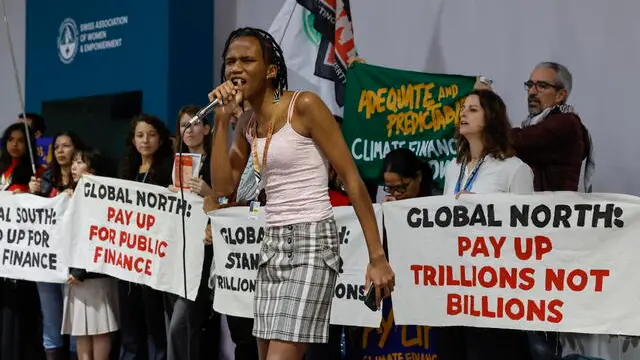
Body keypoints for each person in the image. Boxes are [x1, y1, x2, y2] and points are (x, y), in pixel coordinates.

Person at [208, 27, 395, 360]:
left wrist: (377, 257)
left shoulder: (304, 105)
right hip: (272, 245)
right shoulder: (246, 123)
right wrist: (222, 123)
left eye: (247, 59)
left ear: (271, 69)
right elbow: (223, 189)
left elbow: (352, 180)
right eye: (230, 61)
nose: (235, 68)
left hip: (312, 243)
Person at [437, 89, 534, 360]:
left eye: (473, 109)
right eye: (463, 108)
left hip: (494, 292)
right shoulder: (452, 168)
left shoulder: (515, 169)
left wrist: (481, 206)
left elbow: (526, 233)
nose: (463, 113)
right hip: (454, 287)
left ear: (490, 118)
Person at [166, 105, 220, 360]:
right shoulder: (175, 164)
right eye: (184, 124)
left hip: (206, 252)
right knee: (180, 324)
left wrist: (209, 192)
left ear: (207, 129)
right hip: (178, 253)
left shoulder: (216, 162)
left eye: (196, 123)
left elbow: (230, 202)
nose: (189, 129)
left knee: (188, 323)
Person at [118, 114, 172, 360]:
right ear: (133, 140)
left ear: (161, 139)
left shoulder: (170, 170)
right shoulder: (125, 170)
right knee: (130, 325)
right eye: (140, 135)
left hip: (156, 261)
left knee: (155, 326)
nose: (145, 140)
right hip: (127, 260)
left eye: (151, 135)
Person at [30, 131, 85, 360]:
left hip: (72, 262)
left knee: (73, 321)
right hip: (46, 261)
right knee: (51, 319)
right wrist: (33, 195)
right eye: (57, 146)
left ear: (76, 149)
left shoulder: (86, 181)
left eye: (67, 145)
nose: (61, 150)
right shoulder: (44, 180)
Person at [62, 148, 119, 360]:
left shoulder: (102, 201)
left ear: (93, 171)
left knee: (99, 329)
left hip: (95, 276)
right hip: (74, 276)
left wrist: (81, 271)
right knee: (82, 331)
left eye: (79, 162)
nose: (73, 166)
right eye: (73, 162)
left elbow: (98, 240)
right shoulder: (72, 196)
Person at [0, 123, 46, 360]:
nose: (14, 145)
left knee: (20, 314)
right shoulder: (2, 169)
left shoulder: (35, 174)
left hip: (22, 257)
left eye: (19, 140)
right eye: (10, 139)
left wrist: (31, 194)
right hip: (2, 254)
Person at [512, 61, 593, 193]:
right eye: (530, 85)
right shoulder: (540, 123)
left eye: (541, 86)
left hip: (554, 211)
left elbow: (515, 142)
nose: (532, 92)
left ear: (560, 95)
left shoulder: (565, 124)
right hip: (541, 209)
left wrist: (489, 110)